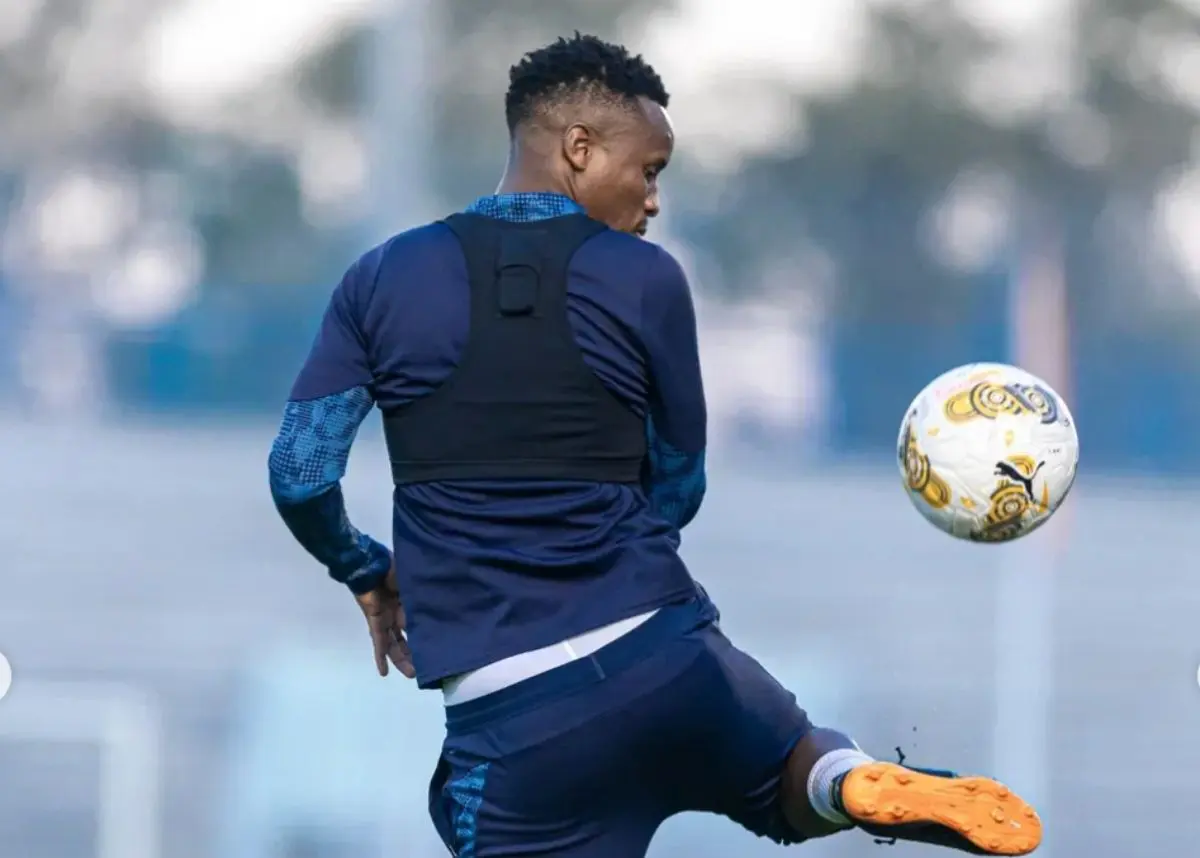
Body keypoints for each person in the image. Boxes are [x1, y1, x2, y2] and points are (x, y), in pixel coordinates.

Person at [268, 32, 1043, 858]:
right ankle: (843, 781)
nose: (652, 201)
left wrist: (367, 569)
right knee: (789, 769)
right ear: (578, 148)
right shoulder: (646, 279)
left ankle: (831, 777)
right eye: (649, 171)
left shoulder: (382, 279)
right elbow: (680, 483)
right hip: (664, 652)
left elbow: (301, 472)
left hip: (517, 714)